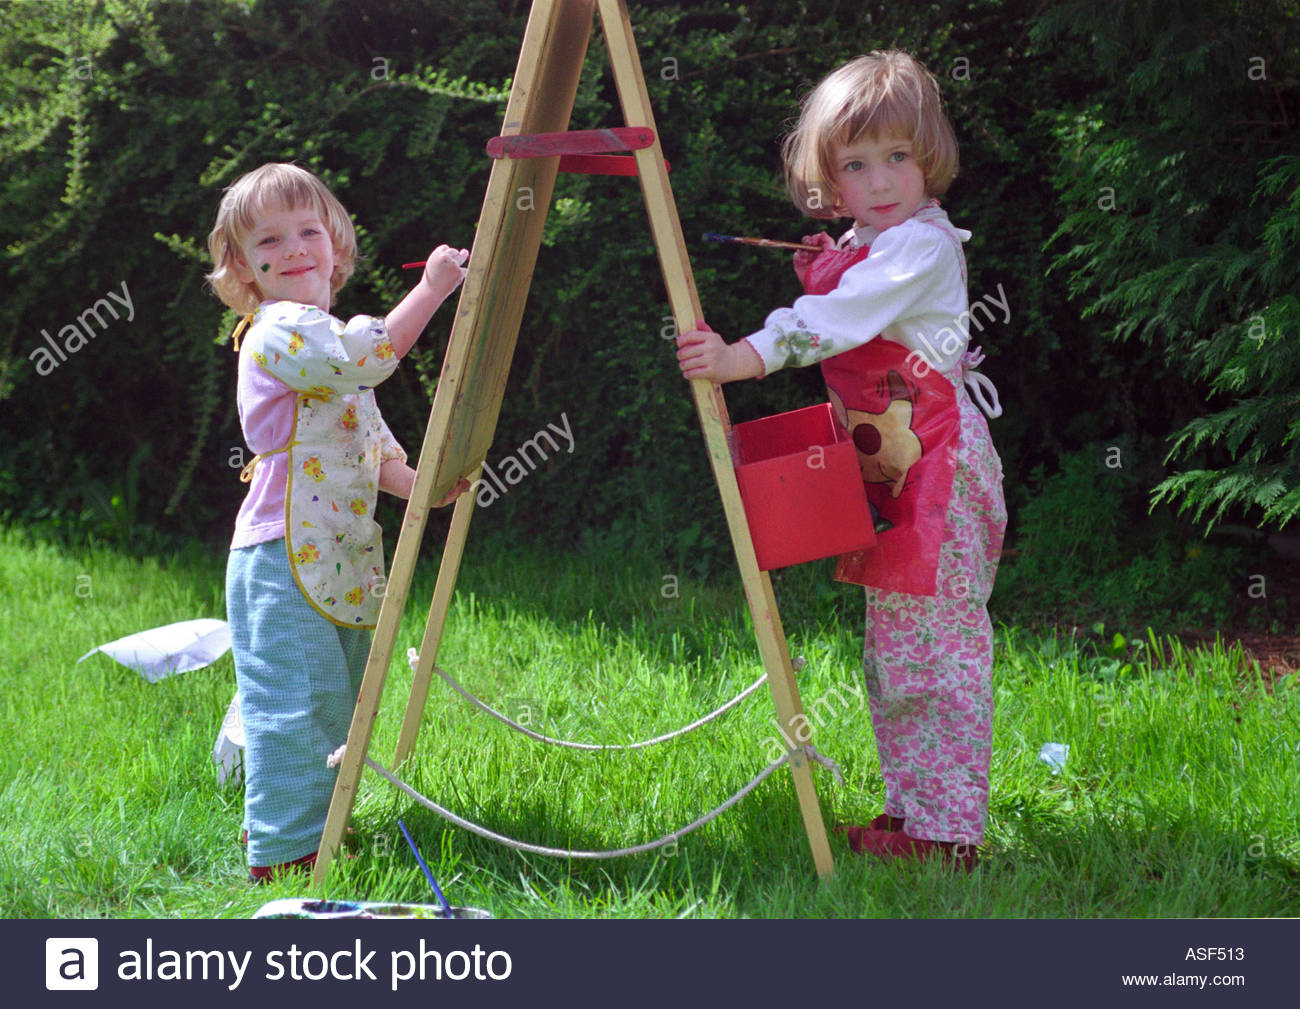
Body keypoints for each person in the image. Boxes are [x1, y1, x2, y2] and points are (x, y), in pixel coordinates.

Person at [676, 52, 1006, 871]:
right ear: (831, 180)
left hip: (940, 474)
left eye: (898, 156)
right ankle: (916, 808)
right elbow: (850, 275)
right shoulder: (877, 240)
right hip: (901, 470)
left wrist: (743, 356)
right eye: (856, 165)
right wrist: (832, 255)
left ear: (930, 156)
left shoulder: (921, 248)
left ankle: (949, 832)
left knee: (937, 652)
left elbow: (840, 315)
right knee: (898, 652)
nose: (882, 180)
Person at [206, 162, 469, 881]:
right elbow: (370, 356)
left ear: (336, 243)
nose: (293, 249)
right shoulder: (279, 331)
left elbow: (369, 442)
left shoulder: (323, 333)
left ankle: (316, 832)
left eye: (307, 231)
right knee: (294, 701)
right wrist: (433, 289)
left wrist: (421, 488)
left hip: (338, 555)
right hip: (279, 558)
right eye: (269, 241)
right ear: (244, 268)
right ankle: (283, 856)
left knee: (334, 699)